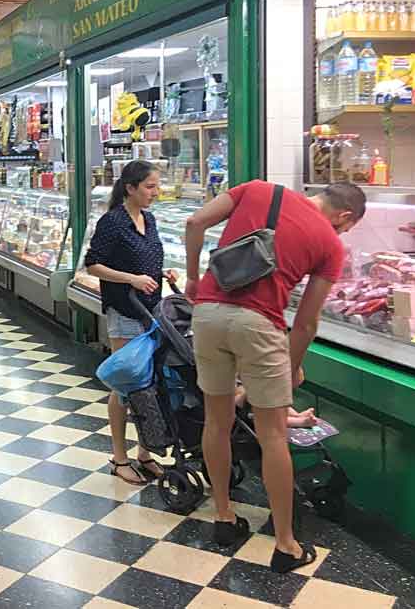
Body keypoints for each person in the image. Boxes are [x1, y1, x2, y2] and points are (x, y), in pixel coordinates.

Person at [185, 181, 365, 573]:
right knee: (273, 436)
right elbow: (305, 323)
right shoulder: (331, 245)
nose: (340, 234)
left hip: (207, 315)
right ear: (344, 216)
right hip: (259, 326)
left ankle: (224, 518)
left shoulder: (259, 189)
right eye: (345, 228)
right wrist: (292, 366)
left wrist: (194, 279)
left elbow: (195, 222)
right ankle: (285, 544)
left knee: (217, 421)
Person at [85, 160, 175, 486]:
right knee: (124, 385)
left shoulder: (148, 221)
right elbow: (93, 264)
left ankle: (145, 453)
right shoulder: (112, 222)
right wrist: (131, 280)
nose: (155, 192)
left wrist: (161, 274)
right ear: (131, 188)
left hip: (151, 313)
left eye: (156, 186)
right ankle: (119, 458)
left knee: (147, 386)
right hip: (124, 312)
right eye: (150, 186)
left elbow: (148, 259)